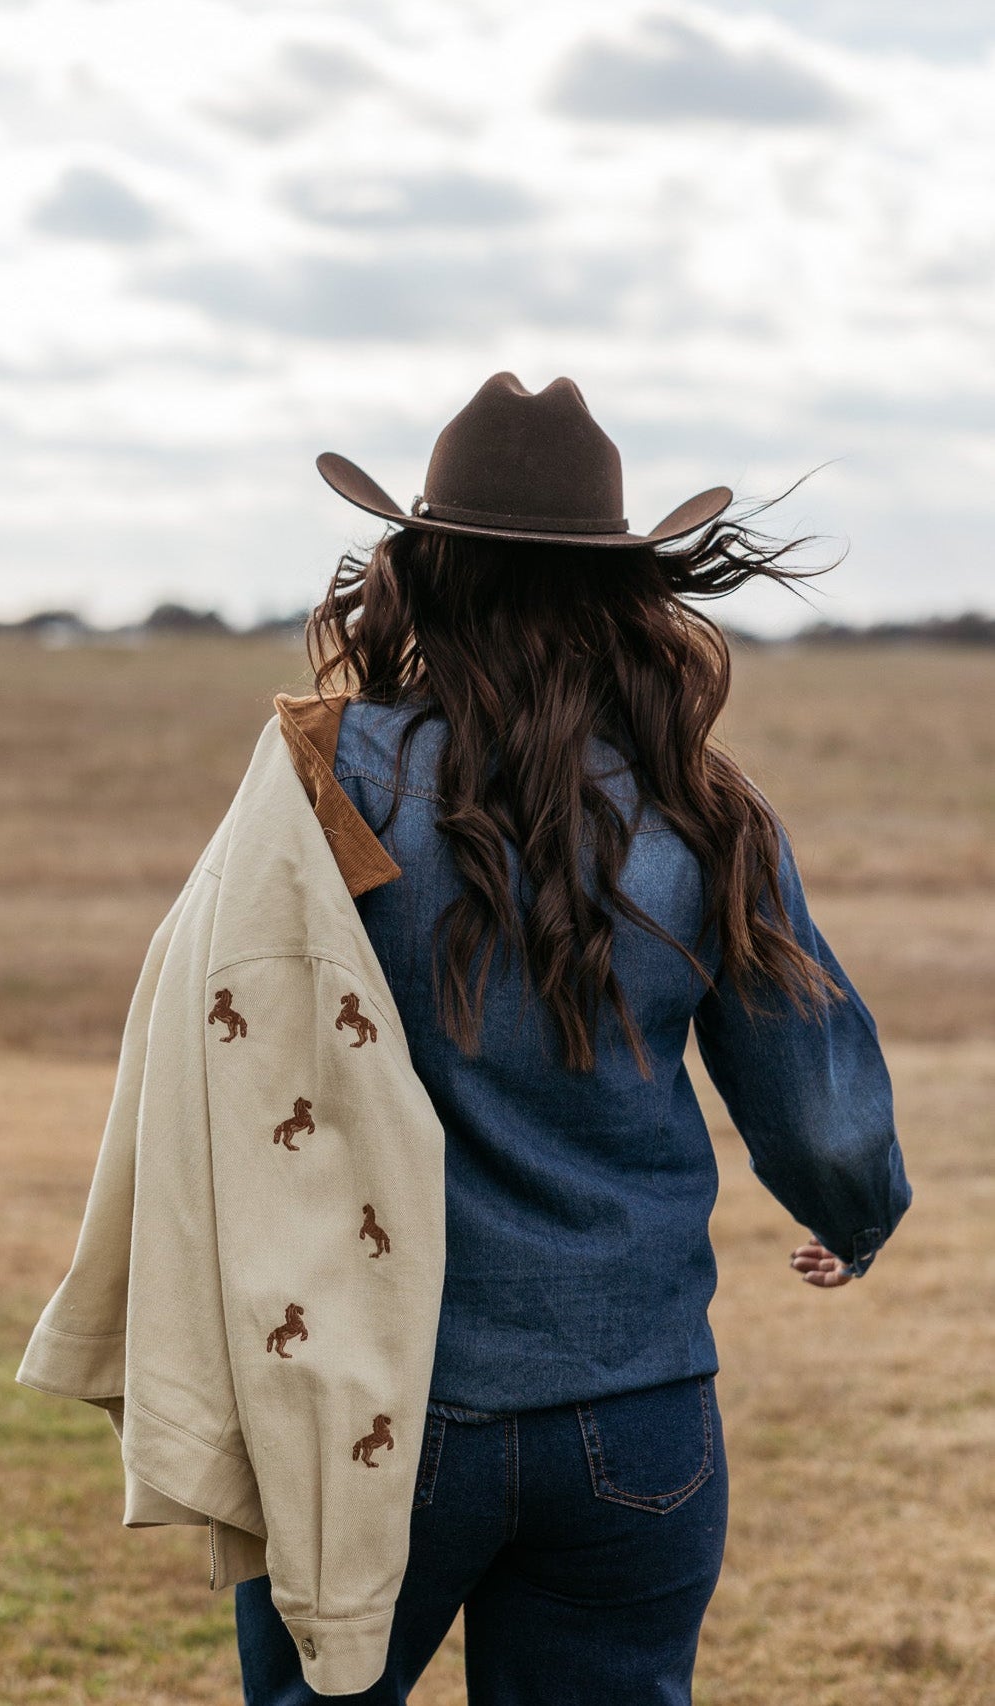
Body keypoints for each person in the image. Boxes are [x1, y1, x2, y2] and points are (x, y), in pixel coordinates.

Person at [232, 373, 913, 1704]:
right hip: (638, 1411)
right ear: (618, 592)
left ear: (419, 573)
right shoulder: (706, 808)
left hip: (373, 1400)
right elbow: (824, 1112)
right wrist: (859, 1212)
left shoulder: (330, 772)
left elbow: (222, 1037)